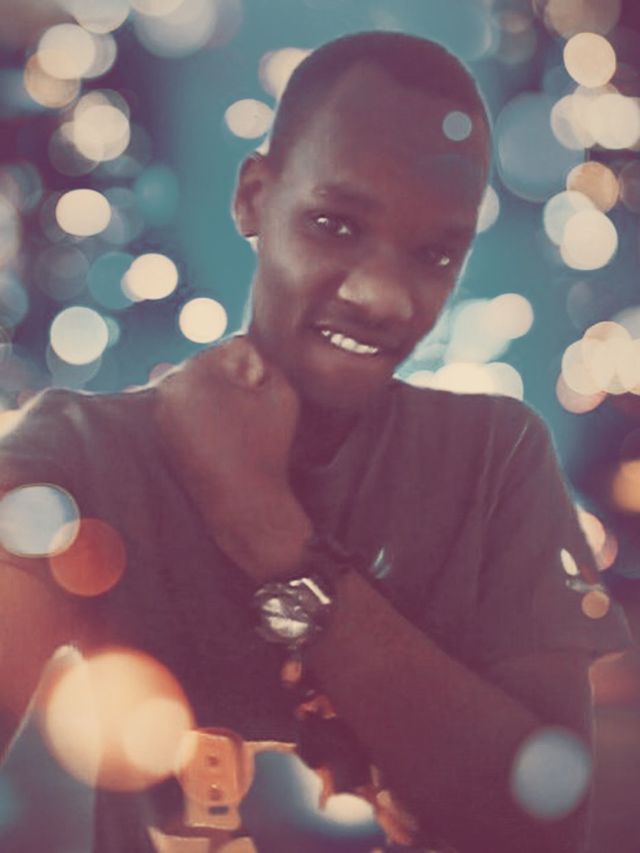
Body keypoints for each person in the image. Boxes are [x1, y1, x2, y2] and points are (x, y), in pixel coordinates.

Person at [0, 31, 631, 853]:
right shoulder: (87, 452)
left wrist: (266, 526)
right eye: (335, 224)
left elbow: (544, 827)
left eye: (435, 253)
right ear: (253, 198)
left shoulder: (495, 457)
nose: (383, 294)